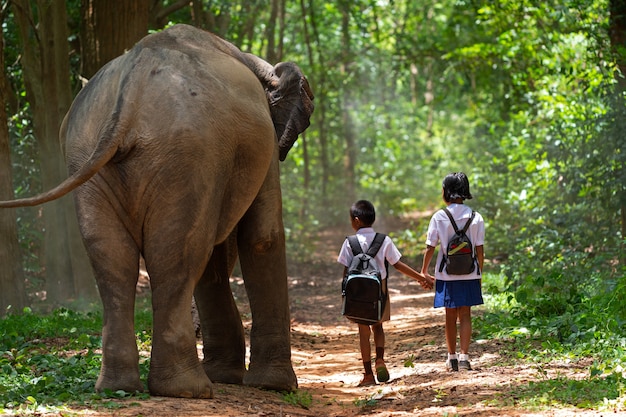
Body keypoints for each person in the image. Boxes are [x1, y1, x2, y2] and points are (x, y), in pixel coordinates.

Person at [337, 199, 434, 386]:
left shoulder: (349, 242)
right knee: (378, 326)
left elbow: (346, 271)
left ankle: (367, 375)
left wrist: (344, 295)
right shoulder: (383, 240)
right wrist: (420, 278)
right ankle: (380, 359)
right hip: (379, 289)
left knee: (363, 330)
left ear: (356, 220)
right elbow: (397, 265)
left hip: (356, 292)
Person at [420, 172, 485, 372]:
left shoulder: (440, 216)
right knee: (466, 314)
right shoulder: (476, 217)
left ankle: (452, 358)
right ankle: (465, 357)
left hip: (446, 274)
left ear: (446, 192)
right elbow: (479, 250)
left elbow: (431, 246)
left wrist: (424, 270)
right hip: (470, 272)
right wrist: (479, 272)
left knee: (450, 314)